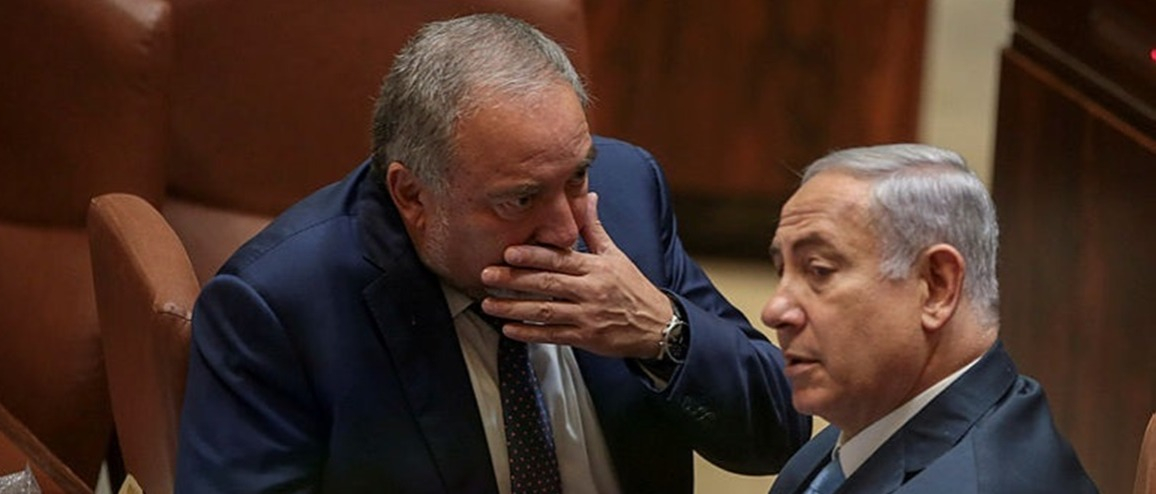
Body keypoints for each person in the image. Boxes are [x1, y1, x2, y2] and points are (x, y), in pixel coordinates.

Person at [175, 13, 809, 494]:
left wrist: (662, 334)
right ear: (412, 195)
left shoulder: (626, 199)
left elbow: (782, 433)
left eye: (577, 177)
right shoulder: (277, 307)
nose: (565, 229)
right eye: (520, 199)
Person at [762, 144, 1097, 493]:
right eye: (781, 270)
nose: (774, 311)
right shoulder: (873, 422)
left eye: (819, 270)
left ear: (937, 287)